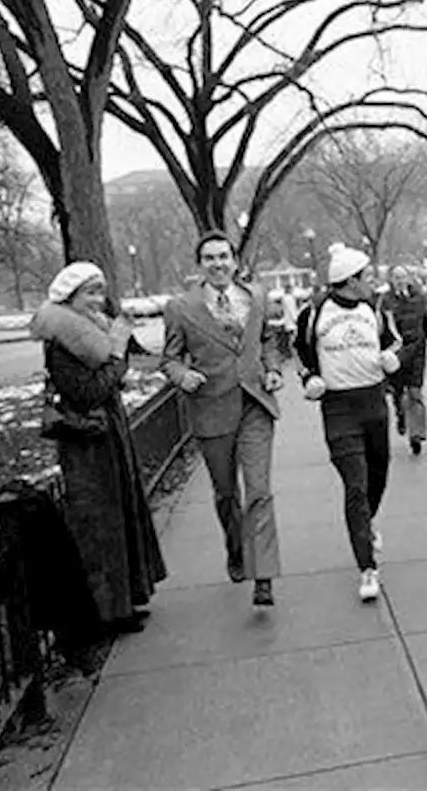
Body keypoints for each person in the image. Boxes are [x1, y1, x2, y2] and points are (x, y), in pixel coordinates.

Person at [28, 262, 167, 635]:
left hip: (107, 436)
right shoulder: (64, 341)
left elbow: (111, 376)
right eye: (89, 292)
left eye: (100, 291)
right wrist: (119, 355)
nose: (97, 299)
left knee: (120, 515)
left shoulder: (91, 333)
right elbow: (89, 391)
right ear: (70, 298)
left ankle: (125, 601)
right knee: (100, 524)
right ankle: (106, 612)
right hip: (86, 444)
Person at [161, 234, 284, 607]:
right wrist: (182, 375)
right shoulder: (181, 308)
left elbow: (267, 340)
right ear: (200, 264)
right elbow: (169, 358)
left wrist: (273, 369)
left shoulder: (256, 297)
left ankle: (263, 575)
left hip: (255, 406)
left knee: (259, 491)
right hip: (212, 409)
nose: (218, 263)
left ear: (234, 260)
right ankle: (235, 548)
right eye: (209, 258)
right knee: (227, 493)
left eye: (224, 256)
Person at [294, 243, 402, 602]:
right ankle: (367, 567)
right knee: (354, 484)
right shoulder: (314, 313)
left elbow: (394, 341)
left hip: (373, 401)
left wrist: (390, 357)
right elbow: (299, 350)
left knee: (378, 476)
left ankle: (366, 523)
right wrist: (309, 377)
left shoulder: (374, 309)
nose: (372, 282)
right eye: (366, 277)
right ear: (349, 281)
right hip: (338, 407)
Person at [379, 265, 427, 455]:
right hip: (396, 354)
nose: (400, 280)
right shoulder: (385, 301)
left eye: (403, 277)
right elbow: (379, 327)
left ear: (408, 279)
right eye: (396, 277)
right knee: (399, 393)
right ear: (391, 280)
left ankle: (417, 434)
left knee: (415, 392)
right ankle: (401, 414)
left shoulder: (419, 297)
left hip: (417, 351)